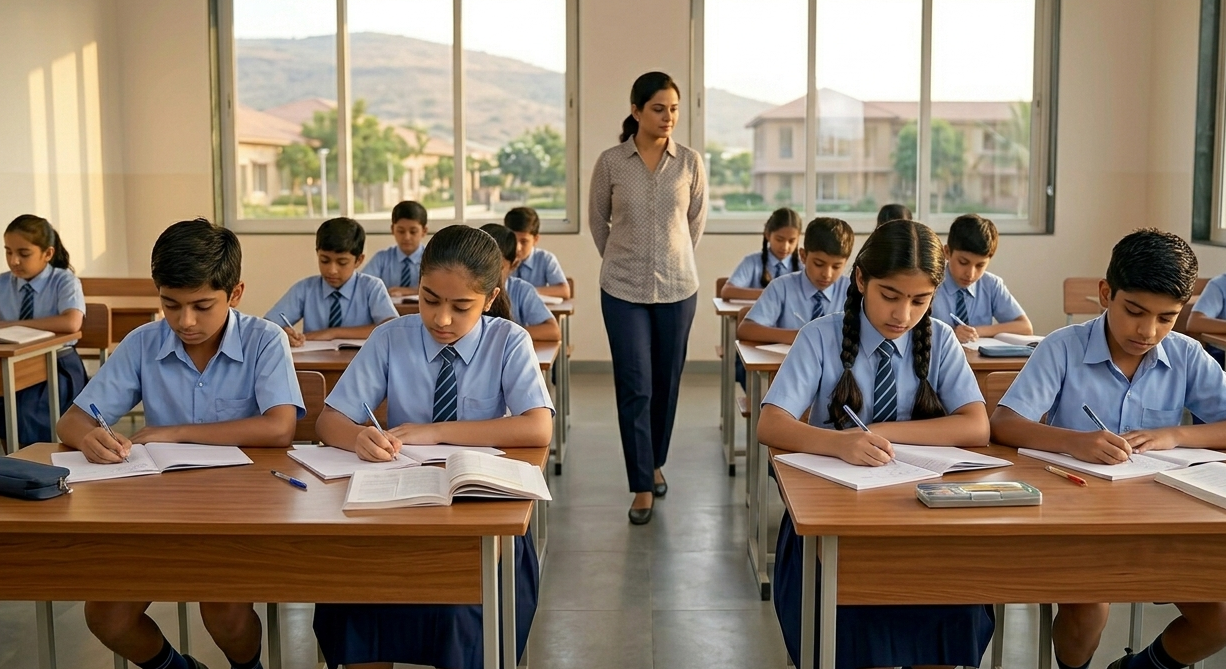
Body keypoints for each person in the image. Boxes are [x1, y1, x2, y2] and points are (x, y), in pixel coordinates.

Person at [57, 218, 305, 669]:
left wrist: (171, 431)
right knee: (108, 616)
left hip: (242, 509)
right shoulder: (143, 343)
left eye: (201, 306)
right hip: (160, 508)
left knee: (223, 610)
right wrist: (91, 437)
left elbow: (279, 428)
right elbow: (71, 421)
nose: (185, 322)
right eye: (171, 305)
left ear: (236, 293)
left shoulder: (264, 340)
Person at [312, 224, 552, 669]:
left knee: (460, 611)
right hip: (395, 505)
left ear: (491, 298)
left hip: (475, 510)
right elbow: (331, 420)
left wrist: (436, 430)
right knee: (350, 593)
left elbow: (538, 428)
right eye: (429, 300)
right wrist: (359, 437)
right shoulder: (391, 337)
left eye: (461, 307)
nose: (442, 319)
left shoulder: (508, 341)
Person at [757, 219, 994, 669]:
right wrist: (837, 443)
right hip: (835, 520)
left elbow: (976, 425)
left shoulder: (940, 340)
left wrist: (880, 432)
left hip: (922, 514)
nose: (903, 315)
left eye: (920, 300)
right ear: (862, 278)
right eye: (890, 295)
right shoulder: (820, 337)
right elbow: (771, 424)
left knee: (957, 608)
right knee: (848, 622)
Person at [991, 228, 1226, 669]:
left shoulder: (1188, 355)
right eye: (1134, 311)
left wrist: (1178, 435)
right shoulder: (1063, 347)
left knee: (1219, 619)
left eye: (1166, 318)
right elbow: (1004, 423)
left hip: (1161, 524)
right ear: (1106, 293)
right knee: (1087, 610)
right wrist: (1073, 441)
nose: (1147, 330)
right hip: (1077, 523)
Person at [589, 70, 707, 524]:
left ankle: (655, 459)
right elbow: (599, 223)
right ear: (636, 110)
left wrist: (673, 260)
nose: (668, 117)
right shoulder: (612, 162)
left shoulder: (690, 162)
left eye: (674, 109)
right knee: (635, 386)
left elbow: (694, 223)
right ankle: (641, 483)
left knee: (667, 384)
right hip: (622, 290)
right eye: (659, 109)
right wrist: (624, 260)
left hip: (679, 289)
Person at [0, 214, 87, 447]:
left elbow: (71, 323)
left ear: (47, 254)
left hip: (57, 365)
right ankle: (12, 467)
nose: (14, 261)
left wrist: (12, 325)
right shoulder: (2, 283)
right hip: (12, 365)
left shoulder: (64, 281)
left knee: (26, 412)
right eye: (8, 252)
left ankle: (37, 469)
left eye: (23, 254)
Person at [266, 217, 397, 345]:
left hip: (361, 361)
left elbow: (391, 328)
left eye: (342, 262)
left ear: (359, 260)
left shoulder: (371, 287)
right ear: (317, 253)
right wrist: (283, 333)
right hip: (314, 363)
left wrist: (333, 333)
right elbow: (267, 326)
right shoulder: (305, 288)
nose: (332, 270)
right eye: (324, 260)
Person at [737, 217, 854, 344]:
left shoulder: (852, 291)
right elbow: (746, 330)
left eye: (836, 266)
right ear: (803, 256)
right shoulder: (781, 287)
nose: (827, 274)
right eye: (818, 264)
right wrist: (802, 336)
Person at [931, 213, 1033, 344]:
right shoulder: (931, 283)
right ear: (947, 252)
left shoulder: (991, 285)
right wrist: (951, 332)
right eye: (963, 262)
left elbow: (1025, 327)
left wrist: (976, 331)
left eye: (980, 265)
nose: (970, 273)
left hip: (980, 361)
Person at [480, 223, 561, 340]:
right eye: (482, 267)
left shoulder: (521, 290)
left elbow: (553, 331)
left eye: (497, 269)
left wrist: (505, 333)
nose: (488, 275)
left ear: (514, 265)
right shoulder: (465, 289)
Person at [720, 207, 802, 301]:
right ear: (767, 235)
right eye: (779, 240)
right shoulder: (752, 262)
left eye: (791, 241)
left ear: (798, 238)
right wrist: (772, 293)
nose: (785, 247)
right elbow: (727, 291)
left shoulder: (803, 266)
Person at [362, 200, 428, 296]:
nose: (406, 237)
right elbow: (363, 286)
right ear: (392, 229)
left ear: (424, 231)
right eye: (401, 231)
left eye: (413, 232)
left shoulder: (433, 259)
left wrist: (411, 291)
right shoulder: (381, 259)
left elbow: (442, 289)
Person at [505, 206, 570, 299]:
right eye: (513, 240)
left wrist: (525, 292)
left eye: (524, 242)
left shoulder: (545, 259)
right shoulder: (500, 259)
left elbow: (564, 291)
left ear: (535, 239)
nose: (518, 248)